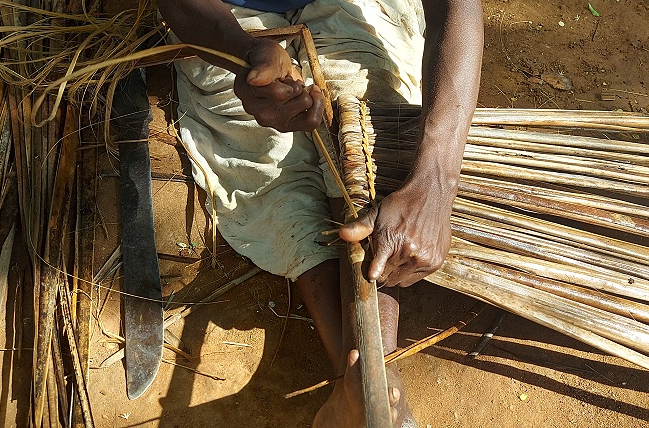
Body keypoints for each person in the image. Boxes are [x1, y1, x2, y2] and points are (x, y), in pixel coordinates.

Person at [158, 1, 482, 426]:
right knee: (268, 170)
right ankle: (374, 386)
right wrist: (237, 50)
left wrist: (437, 181)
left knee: (370, 135)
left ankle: (367, 388)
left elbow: (457, 8)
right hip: (228, 18)